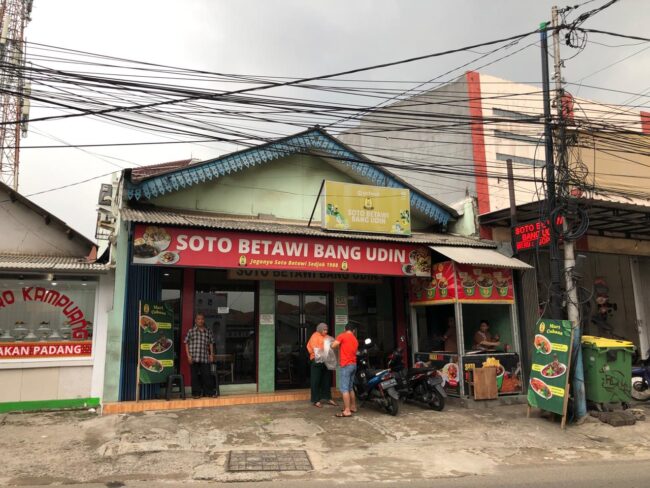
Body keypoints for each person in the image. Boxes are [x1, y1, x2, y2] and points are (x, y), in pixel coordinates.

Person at [184, 313, 216, 398]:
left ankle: (209, 392)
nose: (200, 321)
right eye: (198, 319)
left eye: (202, 319)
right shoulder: (191, 331)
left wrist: (211, 354)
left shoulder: (208, 331)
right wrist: (188, 356)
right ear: (195, 320)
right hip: (194, 357)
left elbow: (211, 344)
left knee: (207, 375)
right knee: (194, 377)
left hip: (205, 357)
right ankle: (196, 393)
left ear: (204, 320)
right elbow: (186, 343)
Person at [306, 323, 337, 408]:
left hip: (325, 361)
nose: (326, 331)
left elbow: (332, 345)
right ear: (319, 329)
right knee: (315, 380)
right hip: (316, 360)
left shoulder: (327, 337)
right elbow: (315, 349)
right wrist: (326, 348)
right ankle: (316, 400)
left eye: (326, 330)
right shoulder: (314, 336)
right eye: (324, 330)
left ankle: (328, 397)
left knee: (326, 380)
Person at [331, 323, 359, 417]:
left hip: (346, 365)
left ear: (344, 329)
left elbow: (334, 345)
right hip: (353, 365)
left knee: (344, 389)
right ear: (353, 330)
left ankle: (347, 410)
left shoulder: (342, 336)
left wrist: (332, 344)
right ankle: (353, 406)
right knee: (350, 387)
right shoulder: (355, 340)